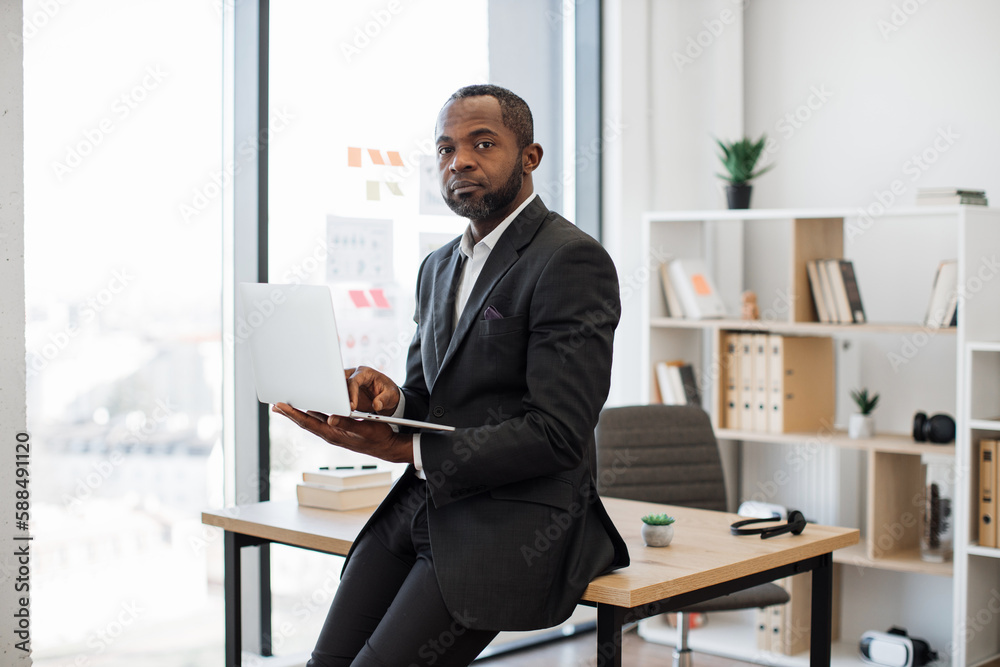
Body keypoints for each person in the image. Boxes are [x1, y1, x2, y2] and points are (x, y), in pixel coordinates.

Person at [273, 84, 628, 667]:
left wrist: (406, 448)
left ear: (530, 157)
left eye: (481, 144)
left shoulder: (569, 260)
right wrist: (386, 402)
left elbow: (558, 433)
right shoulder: (437, 267)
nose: (458, 160)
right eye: (444, 149)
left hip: (512, 519)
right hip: (422, 503)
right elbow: (425, 398)